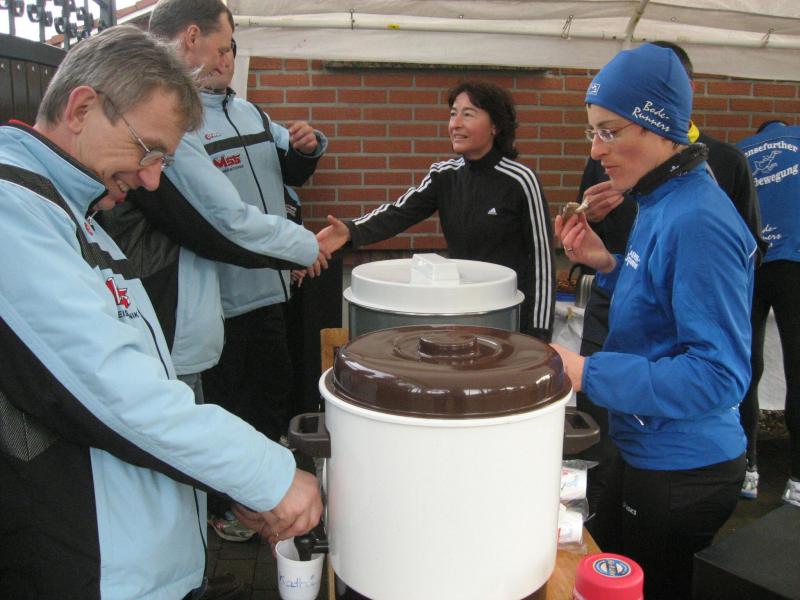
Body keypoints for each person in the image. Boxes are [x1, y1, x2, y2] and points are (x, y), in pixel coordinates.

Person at [0, 25, 321, 600]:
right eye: (147, 151)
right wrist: (268, 474)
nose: (151, 179)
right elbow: (117, 392)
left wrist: (233, 483)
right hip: (89, 571)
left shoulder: (77, 214)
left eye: (164, 161)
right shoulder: (13, 210)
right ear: (82, 108)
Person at [553, 43, 756, 600]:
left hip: (684, 467)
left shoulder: (698, 219)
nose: (596, 150)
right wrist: (607, 264)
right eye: (592, 131)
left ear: (660, 126)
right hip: (643, 442)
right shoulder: (660, 197)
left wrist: (585, 373)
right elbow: (662, 294)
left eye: (610, 131)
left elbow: (718, 375)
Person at [316, 80, 555, 340]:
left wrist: (538, 335)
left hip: (507, 318)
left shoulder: (520, 180)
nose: (456, 124)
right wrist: (350, 231)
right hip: (461, 313)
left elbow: (542, 263)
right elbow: (398, 213)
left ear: (495, 126)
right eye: (453, 114)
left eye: (468, 114)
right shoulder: (444, 175)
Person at [198, 33, 327, 454]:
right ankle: (233, 492)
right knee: (229, 408)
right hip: (223, 299)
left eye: (230, 51)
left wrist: (306, 147)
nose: (225, 61)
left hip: (272, 288)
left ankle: (271, 482)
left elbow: (293, 172)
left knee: (273, 394)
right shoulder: (183, 123)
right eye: (218, 51)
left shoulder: (252, 113)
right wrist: (300, 248)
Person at [736, 119, 800, 507]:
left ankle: (747, 468)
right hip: (795, 262)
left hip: (751, 262)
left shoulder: (739, 150)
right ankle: (797, 480)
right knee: (797, 369)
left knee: (747, 366)